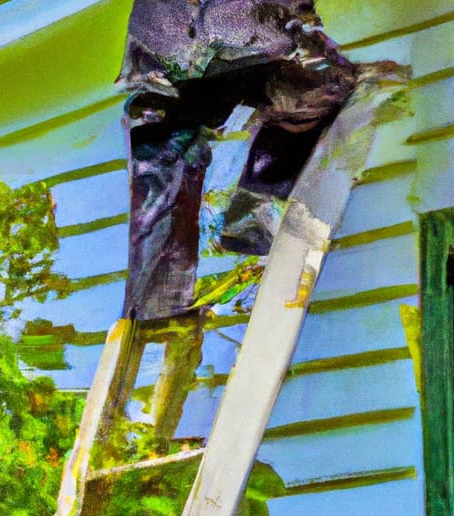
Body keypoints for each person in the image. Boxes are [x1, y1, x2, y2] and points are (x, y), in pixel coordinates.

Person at [119, 0, 357, 321]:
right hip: (237, 39)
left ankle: (156, 307)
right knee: (327, 82)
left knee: (163, 143)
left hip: (158, 56)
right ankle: (253, 218)